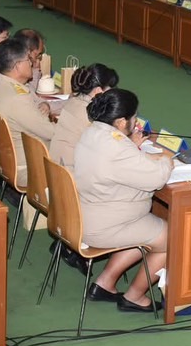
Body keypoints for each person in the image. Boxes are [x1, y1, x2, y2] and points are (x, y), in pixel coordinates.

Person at [74, 88, 174, 314]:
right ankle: (135, 296)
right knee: (173, 238)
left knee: (150, 229)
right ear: (120, 122)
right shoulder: (117, 146)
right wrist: (166, 160)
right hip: (107, 225)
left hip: (85, 215)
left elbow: (122, 164)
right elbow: (157, 178)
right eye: (133, 118)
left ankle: (105, 283)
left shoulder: (93, 132)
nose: (135, 122)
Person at [0, 39, 54, 189]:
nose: (31, 63)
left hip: (8, 160)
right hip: (29, 166)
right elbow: (51, 132)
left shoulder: (0, 86)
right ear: (17, 66)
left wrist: (42, 107)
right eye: (28, 60)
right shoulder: (18, 98)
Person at [49, 63, 118, 169]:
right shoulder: (92, 117)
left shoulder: (72, 101)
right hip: (71, 173)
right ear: (99, 91)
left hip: (56, 169)